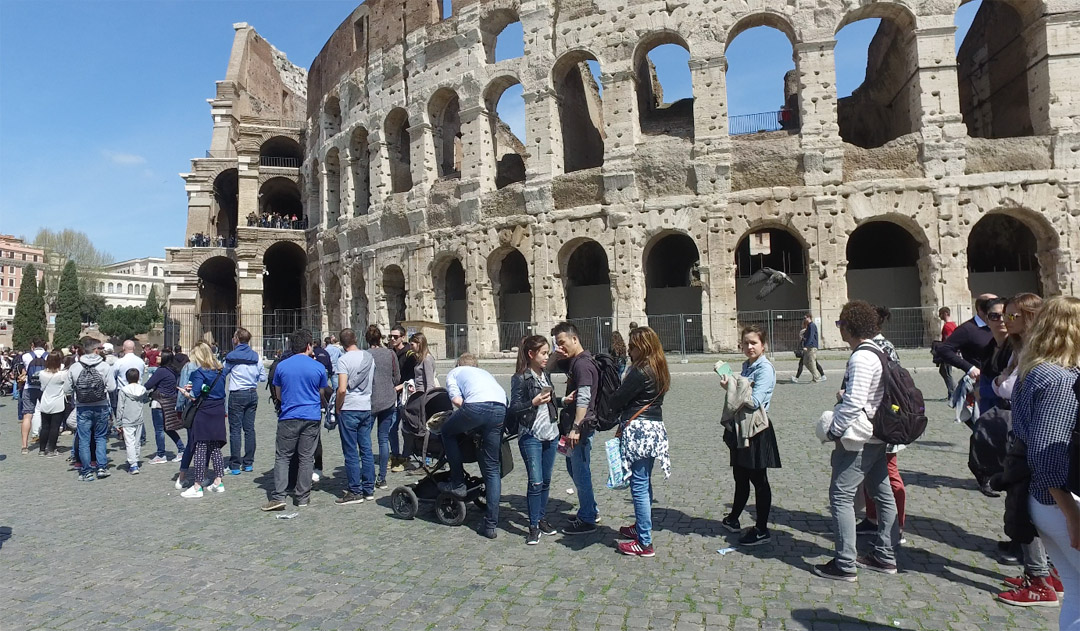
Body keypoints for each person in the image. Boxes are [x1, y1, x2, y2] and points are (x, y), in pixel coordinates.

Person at [814, 300, 898, 581]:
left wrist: (833, 431)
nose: (839, 329)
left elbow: (854, 404)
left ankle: (845, 563)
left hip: (860, 439)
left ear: (849, 326)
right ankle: (885, 555)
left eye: (840, 324)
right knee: (882, 493)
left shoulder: (862, 357)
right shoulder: (879, 350)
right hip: (877, 436)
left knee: (840, 496)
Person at [1010, 295, 1080, 626]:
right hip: (1056, 500)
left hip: (1043, 497)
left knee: (1077, 591)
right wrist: (1072, 514)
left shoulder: (1035, 369)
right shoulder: (1060, 379)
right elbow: (1045, 449)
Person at [612, 327, 671, 557]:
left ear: (642, 347)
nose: (629, 349)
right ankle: (640, 527)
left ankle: (644, 542)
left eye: (633, 345)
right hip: (654, 428)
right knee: (643, 481)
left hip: (639, 429)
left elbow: (618, 398)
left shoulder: (640, 371)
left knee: (638, 485)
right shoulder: (660, 367)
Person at [720, 325, 781, 546]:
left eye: (753, 343)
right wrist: (732, 385)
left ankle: (762, 528)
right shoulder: (747, 366)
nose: (749, 347)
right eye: (745, 343)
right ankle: (734, 518)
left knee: (759, 479)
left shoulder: (764, 369)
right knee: (740, 475)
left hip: (756, 429)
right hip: (741, 427)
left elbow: (754, 401)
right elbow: (741, 395)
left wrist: (733, 387)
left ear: (763, 345)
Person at [438, 353, 507, 539]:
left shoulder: (454, 372)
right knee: (492, 469)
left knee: (447, 432)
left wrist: (467, 419)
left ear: (458, 363)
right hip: (501, 407)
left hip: (477, 406)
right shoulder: (485, 373)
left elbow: (457, 401)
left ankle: (458, 482)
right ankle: (491, 525)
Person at [856, 307, 907, 544]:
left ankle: (897, 524)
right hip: (876, 420)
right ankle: (873, 518)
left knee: (890, 473)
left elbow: (890, 386)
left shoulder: (881, 347)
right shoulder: (874, 345)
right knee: (872, 473)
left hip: (884, 420)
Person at [262, 330, 327, 511]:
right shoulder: (318, 367)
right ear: (308, 346)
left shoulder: (282, 366)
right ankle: (302, 496)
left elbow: (278, 394)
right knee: (307, 457)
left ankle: (279, 496)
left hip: (289, 415)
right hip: (311, 416)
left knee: (283, 456)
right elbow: (321, 393)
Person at [508, 335, 561, 545]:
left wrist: (564, 401)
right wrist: (533, 401)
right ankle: (532, 525)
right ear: (531, 354)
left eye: (547, 352)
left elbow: (550, 402)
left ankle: (541, 519)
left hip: (551, 433)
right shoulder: (521, 377)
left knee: (546, 481)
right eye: (543, 353)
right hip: (531, 435)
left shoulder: (545, 374)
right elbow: (514, 408)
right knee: (535, 481)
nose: (547, 357)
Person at [550, 321, 601, 536]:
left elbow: (584, 397)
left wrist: (576, 427)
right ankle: (590, 509)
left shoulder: (582, 365)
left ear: (575, 339)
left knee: (580, 473)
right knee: (575, 469)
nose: (560, 348)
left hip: (580, 427)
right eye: (557, 344)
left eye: (562, 343)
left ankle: (588, 518)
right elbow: (547, 367)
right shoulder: (573, 361)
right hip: (574, 426)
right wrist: (556, 353)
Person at [936, 293, 1000, 414]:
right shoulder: (967, 329)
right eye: (994, 304)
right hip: (981, 385)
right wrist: (969, 368)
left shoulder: (999, 325)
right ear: (981, 309)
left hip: (1001, 383)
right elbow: (944, 349)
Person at [334, 328, 376, 505]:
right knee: (366, 448)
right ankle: (369, 488)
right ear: (356, 339)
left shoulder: (343, 360)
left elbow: (342, 389)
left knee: (351, 451)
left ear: (342, 344)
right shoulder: (369, 358)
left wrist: (337, 407)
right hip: (366, 406)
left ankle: (355, 491)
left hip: (349, 407)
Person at [180, 343, 227, 498]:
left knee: (200, 446)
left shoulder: (199, 372)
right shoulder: (221, 371)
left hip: (205, 411)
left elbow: (194, 395)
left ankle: (197, 486)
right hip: (218, 409)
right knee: (215, 446)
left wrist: (186, 393)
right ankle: (218, 481)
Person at [66, 338, 116, 481]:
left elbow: (67, 389)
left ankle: (86, 470)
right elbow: (112, 387)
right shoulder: (105, 366)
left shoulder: (75, 367)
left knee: (84, 439)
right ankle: (101, 467)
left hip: (82, 407)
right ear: (95, 350)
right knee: (100, 437)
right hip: (101, 405)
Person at [224, 328, 265, 475]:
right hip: (252, 394)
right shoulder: (256, 356)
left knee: (235, 430)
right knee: (249, 429)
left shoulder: (231, 356)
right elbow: (262, 377)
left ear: (237, 339)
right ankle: (248, 463)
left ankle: (235, 465)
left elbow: (224, 372)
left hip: (237, 394)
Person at [366, 325, 401, 488]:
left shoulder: (365, 355)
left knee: (365, 439)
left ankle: (368, 476)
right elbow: (397, 377)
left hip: (371, 401)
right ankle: (382, 478)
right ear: (380, 338)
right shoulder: (390, 353)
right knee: (383, 439)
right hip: (388, 399)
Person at [145, 350, 185, 464]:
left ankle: (161, 454)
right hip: (170, 402)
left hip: (159, 402)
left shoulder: (161, 371)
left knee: (159, 430)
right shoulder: (173, 371)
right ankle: (181, 449)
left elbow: (148, 385)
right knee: (169, 428)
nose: (157, 356)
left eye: (159, 356)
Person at [390, 327, 416, 471]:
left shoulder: (409, 354)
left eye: (395, 337)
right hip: (392, 395)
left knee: (406, 428)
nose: (392, 339)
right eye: (391, 336)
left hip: (405, 394)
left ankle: (406, 456)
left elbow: (413, 377)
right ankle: (395, 454)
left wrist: (400, 387)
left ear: (403, 337)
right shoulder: (390, 352)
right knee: (391, 427)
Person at [116, 368, 149, 474]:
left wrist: (118, 421)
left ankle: (133, 464)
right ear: (138, 377)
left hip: (127, 419)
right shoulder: (142, 389)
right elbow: (145, 400)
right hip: (138, 418)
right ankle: (136, 458)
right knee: (137, 441)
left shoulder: (123, 390)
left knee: (129, 442)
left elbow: (120, 407)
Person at [19, 338, 48, 454]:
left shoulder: (26, 356)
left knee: (27, 416)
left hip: (29, 387)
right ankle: (46, 444)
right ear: (45, 345)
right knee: (46, 415)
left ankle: (24, 446)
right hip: (44, 387)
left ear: (33, 345)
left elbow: (23, 371)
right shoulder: (48, 356)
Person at [36, 352, 68, 457]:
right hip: (57, 402)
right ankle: (51, 449)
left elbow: (41, 387)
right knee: (55, 427)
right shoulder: (62, 374)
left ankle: (41, 449)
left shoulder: (41, 373)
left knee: (45, 427)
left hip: (45, 402)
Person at [792, 314, 823, 383]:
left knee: (812, 362)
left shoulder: (812, 325)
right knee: (806, 362)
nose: (804, 319)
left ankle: (817, 377)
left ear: (809, 318)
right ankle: (816, 376)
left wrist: (806, 345)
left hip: (812, 347)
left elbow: (811, 337)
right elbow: (806, 336)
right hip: (808, 347)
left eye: (805, 318)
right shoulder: (809, 326)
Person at [937, 307, 959, 398]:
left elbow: (948, 339)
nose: (939, 316)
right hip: (950, 351)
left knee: (946, 372)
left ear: (946, 313)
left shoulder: (947, 326)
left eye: (941, 314)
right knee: (943, 371)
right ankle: (953, 390)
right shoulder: (953, 324)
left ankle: (953, 392)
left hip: (948, 352)